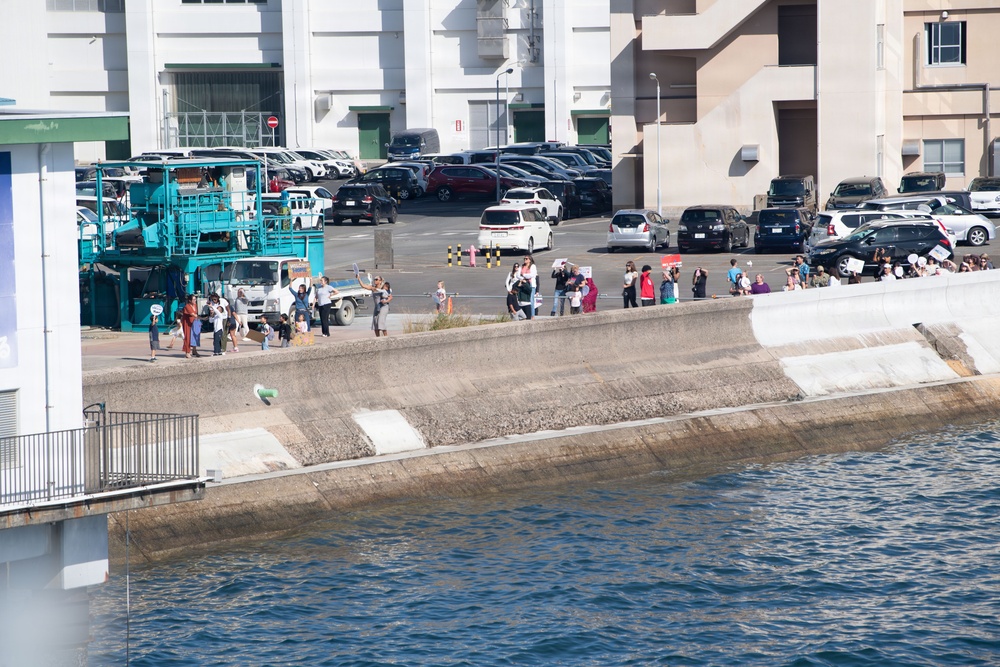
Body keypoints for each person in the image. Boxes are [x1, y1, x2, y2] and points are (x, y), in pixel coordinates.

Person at [182, 294, 199, 358]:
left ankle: (194, 350)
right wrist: (202, 318)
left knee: (195, 336)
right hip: (187, 324)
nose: (195, 300)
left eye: (195, 299)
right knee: (187, 337)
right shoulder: (187, 306)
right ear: (190, 300)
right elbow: (193, 314)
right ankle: (187, 352)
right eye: (194, 299)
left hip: (194, 323)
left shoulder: (195, 305)